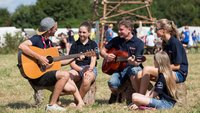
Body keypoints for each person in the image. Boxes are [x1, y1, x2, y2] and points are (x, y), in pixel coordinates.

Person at [18, 17, 84, 111]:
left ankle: (54, 99)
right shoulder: (37, 39)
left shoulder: (49, 42)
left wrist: (75, 57)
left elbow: (58, 62)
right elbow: (22, 46)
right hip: (37, 76)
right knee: (65, 75)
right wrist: (39, 57)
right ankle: (51, 105)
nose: (56, 30)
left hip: (46, 74)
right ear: (49, 30)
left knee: (72, 89)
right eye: (55, 28)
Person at [138, 19, 188, 95]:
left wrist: (159, 69)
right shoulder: (165, 43)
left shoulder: (174, 43)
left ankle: (142, 98)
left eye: (156, 29)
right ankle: (152, 94)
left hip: (179, 74)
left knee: (146, 69)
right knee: (139, 74)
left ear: (163, 30)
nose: (154, 31)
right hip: (168, 71)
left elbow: (177, 66)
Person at [100, 19, 144, 104]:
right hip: (119, 68)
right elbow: (102, 50)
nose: (119, 31)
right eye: (118, 29)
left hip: (133, 67)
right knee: (111, 83)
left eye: (121, 30)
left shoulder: (139, 43)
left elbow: (137, 62)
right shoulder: (116, 40)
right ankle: (116, 94)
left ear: (130, 30)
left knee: (134, 70)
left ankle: (139, 98)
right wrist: (106, 56)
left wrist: (133, 62)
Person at [69, 21, 99, 99]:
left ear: (89, 33)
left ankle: (78, 100)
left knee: (87, 80)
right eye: (80, 32)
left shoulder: (93, 44)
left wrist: (89, 70)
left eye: (84, 32)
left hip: (90, 68)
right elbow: (71, 63)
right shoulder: (74, 45)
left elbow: (93, 60)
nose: (81, 34)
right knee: (68, 77)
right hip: (77, 68)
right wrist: (81, 70)